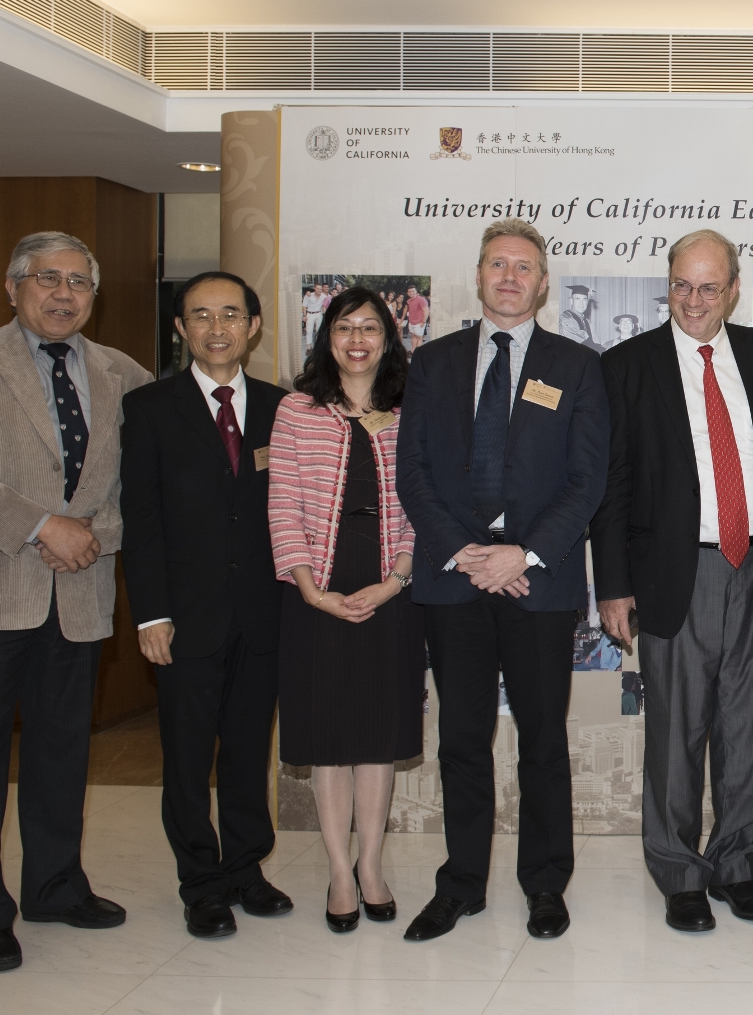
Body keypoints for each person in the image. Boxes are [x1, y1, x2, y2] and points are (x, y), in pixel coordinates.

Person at [0, 231, 153, 973]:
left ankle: (53, 885)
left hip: (76, 593)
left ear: (94, 295)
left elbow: (136, 491)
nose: (63, 293)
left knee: (61, 753)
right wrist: (42, 525)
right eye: (47, 278)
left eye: (79, 282)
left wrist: (87, 534)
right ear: (13, 286)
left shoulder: (125, 375)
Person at [396, 219, 609, 942]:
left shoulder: (577, 366)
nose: (510, 277)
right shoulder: (433, 363)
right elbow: (412, 473)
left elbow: (586, 481)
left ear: (543, 282)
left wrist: (521, 553)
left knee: (543, 739)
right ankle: (461, 883)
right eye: (497, 265)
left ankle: (545, 884)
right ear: (478, 276)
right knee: (461, 737)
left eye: (524, 266)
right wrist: (465, 551)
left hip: (537, 583)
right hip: (454, 579)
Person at [591, 230, 753, 932]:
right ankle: (679, 871)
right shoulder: (627, 365)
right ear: (668, 285)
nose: (694, 300)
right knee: (676, 731)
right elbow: (611, 485)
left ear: (734, 289)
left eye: (709, 287)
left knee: (747, 726)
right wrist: (613, 584)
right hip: (673, 571)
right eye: (682, 285)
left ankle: (737, 864)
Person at [121, 272, 293, 939]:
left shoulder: (286, 409)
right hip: (183, 618)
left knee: (249, 751)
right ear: (180, 329)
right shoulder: (149, 409)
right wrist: (150, 612)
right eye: (200, 316)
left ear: (253, 325)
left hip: (263, 613)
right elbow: (142, 519)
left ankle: (246, 868)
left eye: (230, 314)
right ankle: (201, 882)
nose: (216, 328)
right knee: (188, 757)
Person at [267, 287, 423, 934]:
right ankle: (337, 870)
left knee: (377, 741)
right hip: (316, 592)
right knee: (330, 740)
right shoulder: (297, 411)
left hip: (390, 590)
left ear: (388, 339)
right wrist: (307, 585)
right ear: (325, 338)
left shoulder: (410, 410)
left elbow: (425, 503)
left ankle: (371, 867)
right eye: (343, 327)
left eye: (369, 328)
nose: (356, 338)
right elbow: (283, 502)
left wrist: (395, 580)